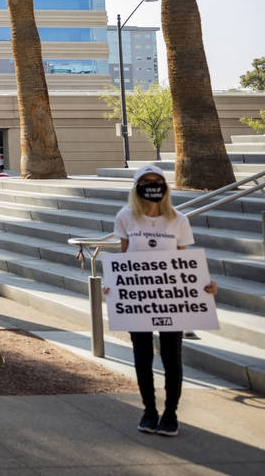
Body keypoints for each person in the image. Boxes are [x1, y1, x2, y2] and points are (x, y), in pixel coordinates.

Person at [109, 164, 216, 437]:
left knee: (172, 357)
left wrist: (204, 286)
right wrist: (114, 286)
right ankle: (149, 410)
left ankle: (170, 413)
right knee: (141, 356)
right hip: (138, 301)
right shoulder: (125, 217)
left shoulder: (178, 220)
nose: (152, 184)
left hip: (171, 301)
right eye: (146, 180)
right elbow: (123, 256)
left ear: (165, 186)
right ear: (137, 186)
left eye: (157, 180)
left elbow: (183, 262)